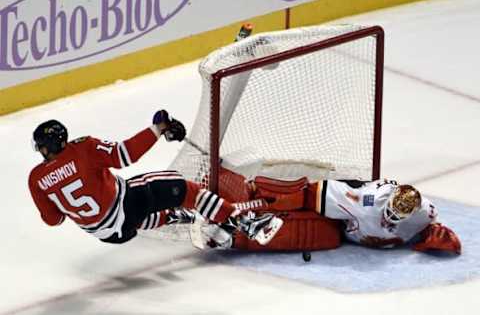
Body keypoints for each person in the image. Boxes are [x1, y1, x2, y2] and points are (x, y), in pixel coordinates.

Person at [28, 110, 283, 245]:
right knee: (183, 188)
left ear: (46, 147)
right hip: (126, 207)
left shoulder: (35, 178)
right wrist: (158, 128)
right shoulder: (82, 148)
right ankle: (246, 223)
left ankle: (176, 216)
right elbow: (123, 155)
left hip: (110, 235)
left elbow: (54, 220)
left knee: (146, 205)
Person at [202, 174, 461, 255]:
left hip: (349, 229)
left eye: (399, 217)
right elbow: (309, 193)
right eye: (390, 212)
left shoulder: (423, 212)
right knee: (317, 231)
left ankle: (233, 237)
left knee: (327, 237)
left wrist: (436, 235)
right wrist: (269, 201)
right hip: (341, 214)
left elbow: (431, 225)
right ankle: (225, 185)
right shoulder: (365, 202)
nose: (390, 219)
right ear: (388, 201)